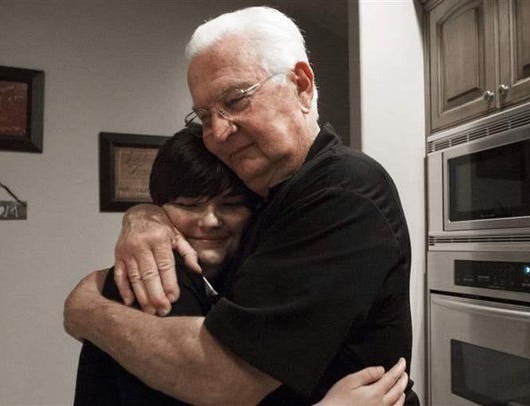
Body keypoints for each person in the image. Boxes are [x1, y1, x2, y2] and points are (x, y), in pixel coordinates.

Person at [64, 6, 418, 405]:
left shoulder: (342, 192)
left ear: (301, 85)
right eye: (203, 114)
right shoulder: (270, 198)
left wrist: (85, 311)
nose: (216, 132)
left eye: (235, 100)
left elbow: (222, 376)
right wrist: (145, 216)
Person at [73, 125, 409, 405]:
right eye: (189, 206)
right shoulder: (159, 278)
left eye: (231, 205)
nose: (210, 220)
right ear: (162, 211)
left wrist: (140, 217)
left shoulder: (245, 269)